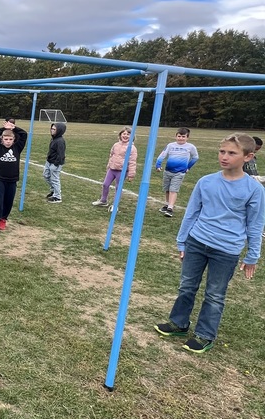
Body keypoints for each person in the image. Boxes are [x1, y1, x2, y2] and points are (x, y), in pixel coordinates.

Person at [154, 133, 264, 354]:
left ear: (248, 157)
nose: (224, 156)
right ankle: (179, 323)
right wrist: (182, 241)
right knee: (186, 286)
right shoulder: (206, 181)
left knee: (215, 294)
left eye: (232, 153)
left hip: (226, 250)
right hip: (197, 242)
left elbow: (255, 224)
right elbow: (192, 213)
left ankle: (205, 334)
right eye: (222, 151)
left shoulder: (254, 190)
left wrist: (252, 255)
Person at [0, 118, 27, 231]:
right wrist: (4, 128)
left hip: (13, 180)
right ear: (2, 140)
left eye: (10, 139)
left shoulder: (17, 148)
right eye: (6, 139)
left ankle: (3, 219)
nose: (8, 141)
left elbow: (24, 134)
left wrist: (14, 128)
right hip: (0, 179)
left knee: (9, 201)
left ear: (14, 140)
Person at [155, 127, 199, 218]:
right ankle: (167, 204)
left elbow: (195, 157)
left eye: (183, 136)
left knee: (173, 190)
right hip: (167, 171)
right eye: (179, 136)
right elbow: (162, 155)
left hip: (179, 173)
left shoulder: (190, 147)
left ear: (187, 137)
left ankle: (170, 208)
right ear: (176, 136)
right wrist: (158, 165)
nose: (181, 138)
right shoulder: (171, 145)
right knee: (167, 189)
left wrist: (188, 167)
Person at [92, 127, 138, 207]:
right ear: (120, 135)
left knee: (118, 187)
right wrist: (109, 165)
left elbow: (132, 162)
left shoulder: (132, 148)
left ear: (132, 137)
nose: (126, 136)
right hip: (112, 169)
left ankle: (115, 205)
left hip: (122, 171)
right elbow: (111, 155)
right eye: (124, 134)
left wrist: (131, 174)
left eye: (128, 134)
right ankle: (103, 200)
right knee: (105, 184)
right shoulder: (116, 145)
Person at [43, 122, 67, 203]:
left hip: (55, 163)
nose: (51, 130)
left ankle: (57, 197)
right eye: (51, 128)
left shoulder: (60, 141)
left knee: (55, 179)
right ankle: (53, 190)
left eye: (54, 129)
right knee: (46, 175)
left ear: (59, 130)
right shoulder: (54, 138)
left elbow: (61, 154)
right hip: (49, 161)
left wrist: (56, 164)